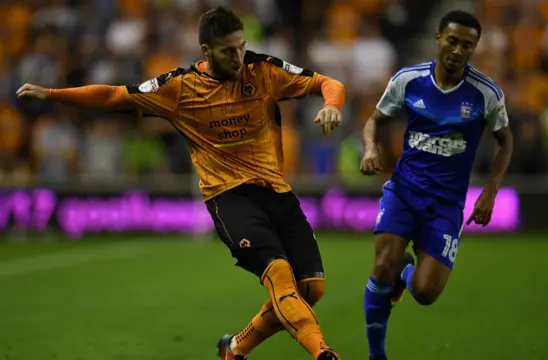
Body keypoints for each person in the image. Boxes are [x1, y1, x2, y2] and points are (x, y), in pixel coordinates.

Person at [17, 7, 345, 360]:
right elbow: (114, 95)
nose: (238, 57)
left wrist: (332, 105)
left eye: (240, 47)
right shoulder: (179, 87)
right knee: (279, 275)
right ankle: (323, 353)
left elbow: (329, 82)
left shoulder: (262, 69)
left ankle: (234, 349)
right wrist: (51, 94)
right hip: (229, 197)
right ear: (206, 51)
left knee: (311, 288)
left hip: (276, 190)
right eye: (227, 50)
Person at [359, 10, 513, 360]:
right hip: (403, 190)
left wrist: (489, 192)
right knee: (382, 263)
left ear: (475, 48)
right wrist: (370, 147)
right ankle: (376, 355)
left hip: (445, 205)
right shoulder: (408, 80)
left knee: (426, 293)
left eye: (468, 45)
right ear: (438, 38)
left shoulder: (486, 93)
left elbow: (507, 142)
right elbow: (375, 121)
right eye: (453, 41)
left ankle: (407, 272)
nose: (459, 50)